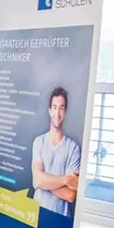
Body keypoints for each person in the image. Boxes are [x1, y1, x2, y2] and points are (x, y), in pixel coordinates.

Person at [32, 87, 81, 218]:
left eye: (61, 108)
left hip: (61, 218)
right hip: (36, 215)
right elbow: (38, 180)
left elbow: (70, 195)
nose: (57, 113)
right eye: (54, 107)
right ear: (49, 110)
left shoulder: (73, 148)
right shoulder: (39, 142)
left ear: (65, 112)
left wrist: (44, 181)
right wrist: (65, 180)